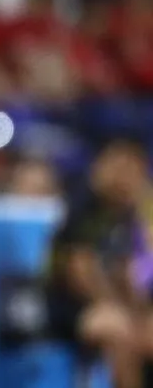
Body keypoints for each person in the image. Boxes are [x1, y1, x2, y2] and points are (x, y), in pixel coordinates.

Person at [44, 138, 151, 388]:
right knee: (119, 332)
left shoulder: (126, 214)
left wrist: (140, 312)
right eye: (122, 166)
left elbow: (125, 270)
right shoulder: (83, 204)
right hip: (68, 306)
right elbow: (81, 273)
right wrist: (120, 309)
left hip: (111, 302)